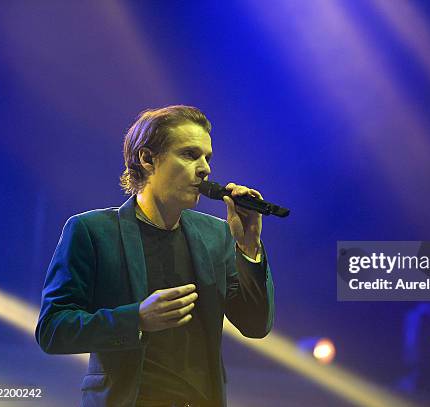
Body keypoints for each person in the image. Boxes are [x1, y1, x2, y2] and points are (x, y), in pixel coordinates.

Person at [35, 105, 275, 407]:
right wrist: (136, 318)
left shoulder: (216, 234)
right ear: (147, 159)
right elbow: (53, 329)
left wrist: (249, 247)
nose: (205, 169)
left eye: (207, 157)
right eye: (189, 154)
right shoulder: (91, 230)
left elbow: (255, 326)